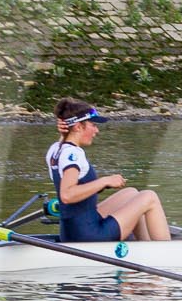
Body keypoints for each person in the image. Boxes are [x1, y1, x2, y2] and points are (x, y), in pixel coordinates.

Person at [47, 99, 172, 243]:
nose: (96, 130)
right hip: (88, 235)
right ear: (78, 127)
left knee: (131, 193)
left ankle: (144, 246)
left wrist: (64, 133)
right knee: (150, 197)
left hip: (72, 230)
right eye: (93, 125)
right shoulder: (74, 155)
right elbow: (67, 195)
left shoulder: (56, 149)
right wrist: (104, 181)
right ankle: (164, 252)